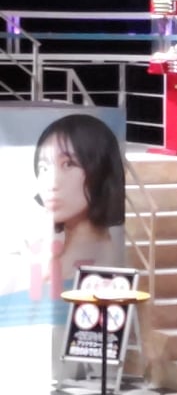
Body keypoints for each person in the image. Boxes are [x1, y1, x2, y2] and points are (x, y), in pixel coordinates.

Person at [33, 113, 126, 285]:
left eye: (68, 164)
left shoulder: (101, 265)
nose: (51, 183)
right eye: (43, 167)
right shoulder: (50, 255)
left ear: (101, 170)